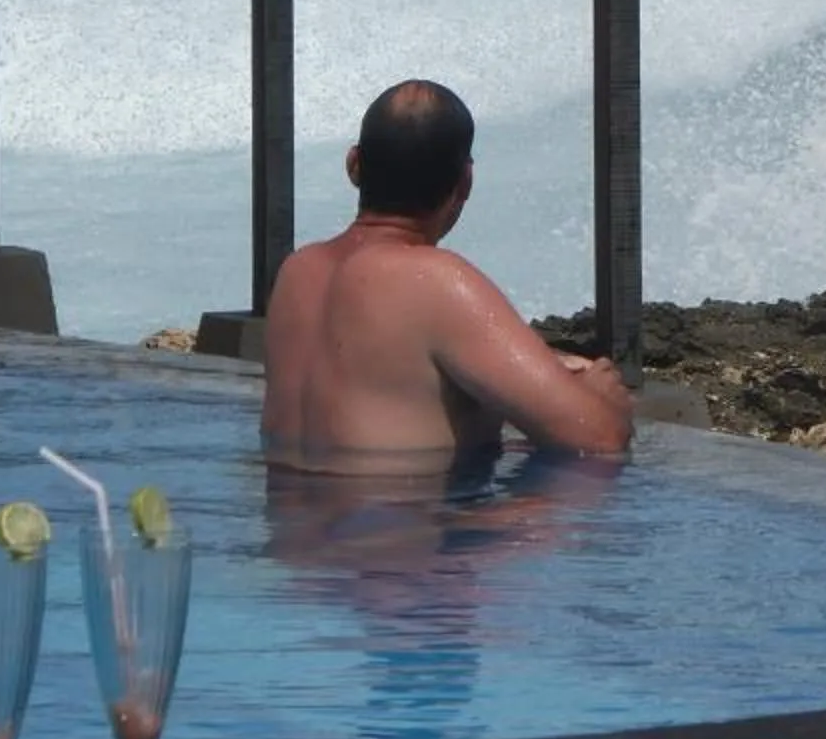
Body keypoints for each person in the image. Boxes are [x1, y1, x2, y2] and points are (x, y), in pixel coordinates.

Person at [260, 79, 634, 473]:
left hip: (291, 532)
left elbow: (383, 369)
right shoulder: (435, 281)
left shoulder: (297, 272)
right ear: (465, 182)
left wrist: (538, 364)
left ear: (354, 164)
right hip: (400, 528)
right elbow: (599, 438)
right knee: (585, 478)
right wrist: (598, 395)